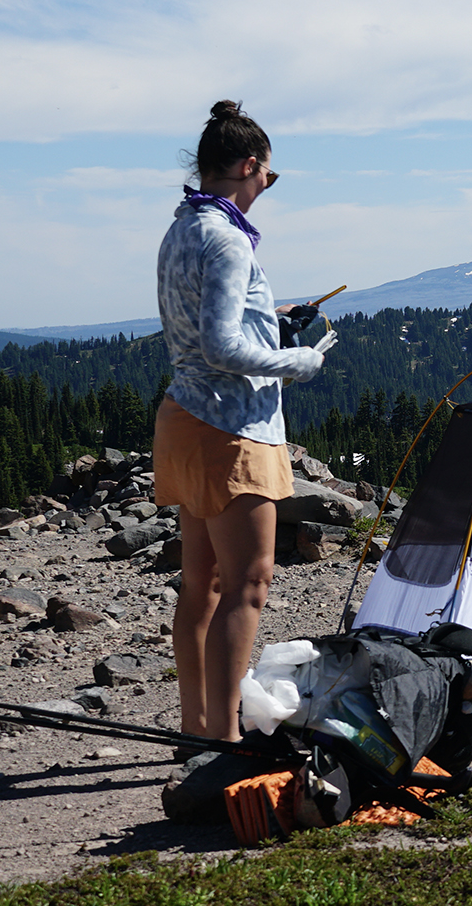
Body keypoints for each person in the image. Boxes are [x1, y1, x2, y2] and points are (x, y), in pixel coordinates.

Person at [154, 100, 337, 745]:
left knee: (198, 583)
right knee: (248, 583)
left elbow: (206, 332)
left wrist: (269, 319)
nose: (267, 189)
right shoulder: (230, 241)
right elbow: (223, 348)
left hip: (182, 417)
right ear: (249, 165)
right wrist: (298, 359)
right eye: (269, 177)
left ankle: (198, 729)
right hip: (231, 428)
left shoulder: (183, 229)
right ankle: (229, 740)